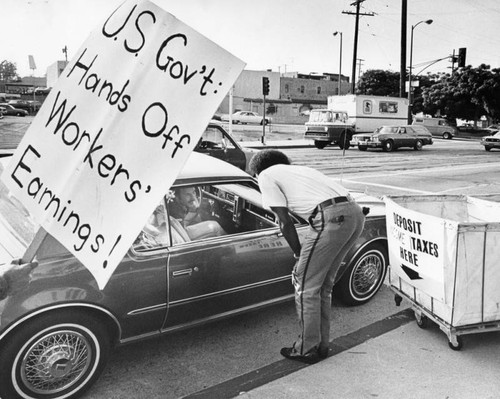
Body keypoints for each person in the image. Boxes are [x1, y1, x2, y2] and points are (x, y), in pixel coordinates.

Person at [249, 149, 367, 364]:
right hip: (355, 214)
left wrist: (298, 253)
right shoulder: (299, 171)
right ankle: (321, 345)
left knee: (304, 286)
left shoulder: (266, 175)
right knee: (323, 287)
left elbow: (284, 221)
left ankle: (306, 349)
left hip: (331, 218)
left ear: (258, 170)